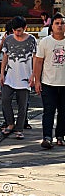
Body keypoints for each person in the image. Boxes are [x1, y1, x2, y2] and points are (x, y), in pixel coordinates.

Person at [0, 16, 37, 140]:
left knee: (23, 105)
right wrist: (1, 73)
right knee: (5, 100)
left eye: (20, 30)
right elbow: (5, 55)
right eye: (15, 30)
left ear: (25, 28)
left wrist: (34, 75)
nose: (17, 33)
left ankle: (19, 129)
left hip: (25, 77)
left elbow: (35, 58)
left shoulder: (31, 40)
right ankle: (10, 123)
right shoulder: (9, 39)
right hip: (10, 76)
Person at [34, 12, 65, 149]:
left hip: (64, 84)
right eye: (57, 23)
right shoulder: (45, 42)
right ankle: (47, 137)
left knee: (64, 112)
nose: (60, 26)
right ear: (51, 26)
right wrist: (37, 81)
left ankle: (60, 136)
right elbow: (39, 62)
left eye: (62, 23)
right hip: (48, 83)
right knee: (48, 111)